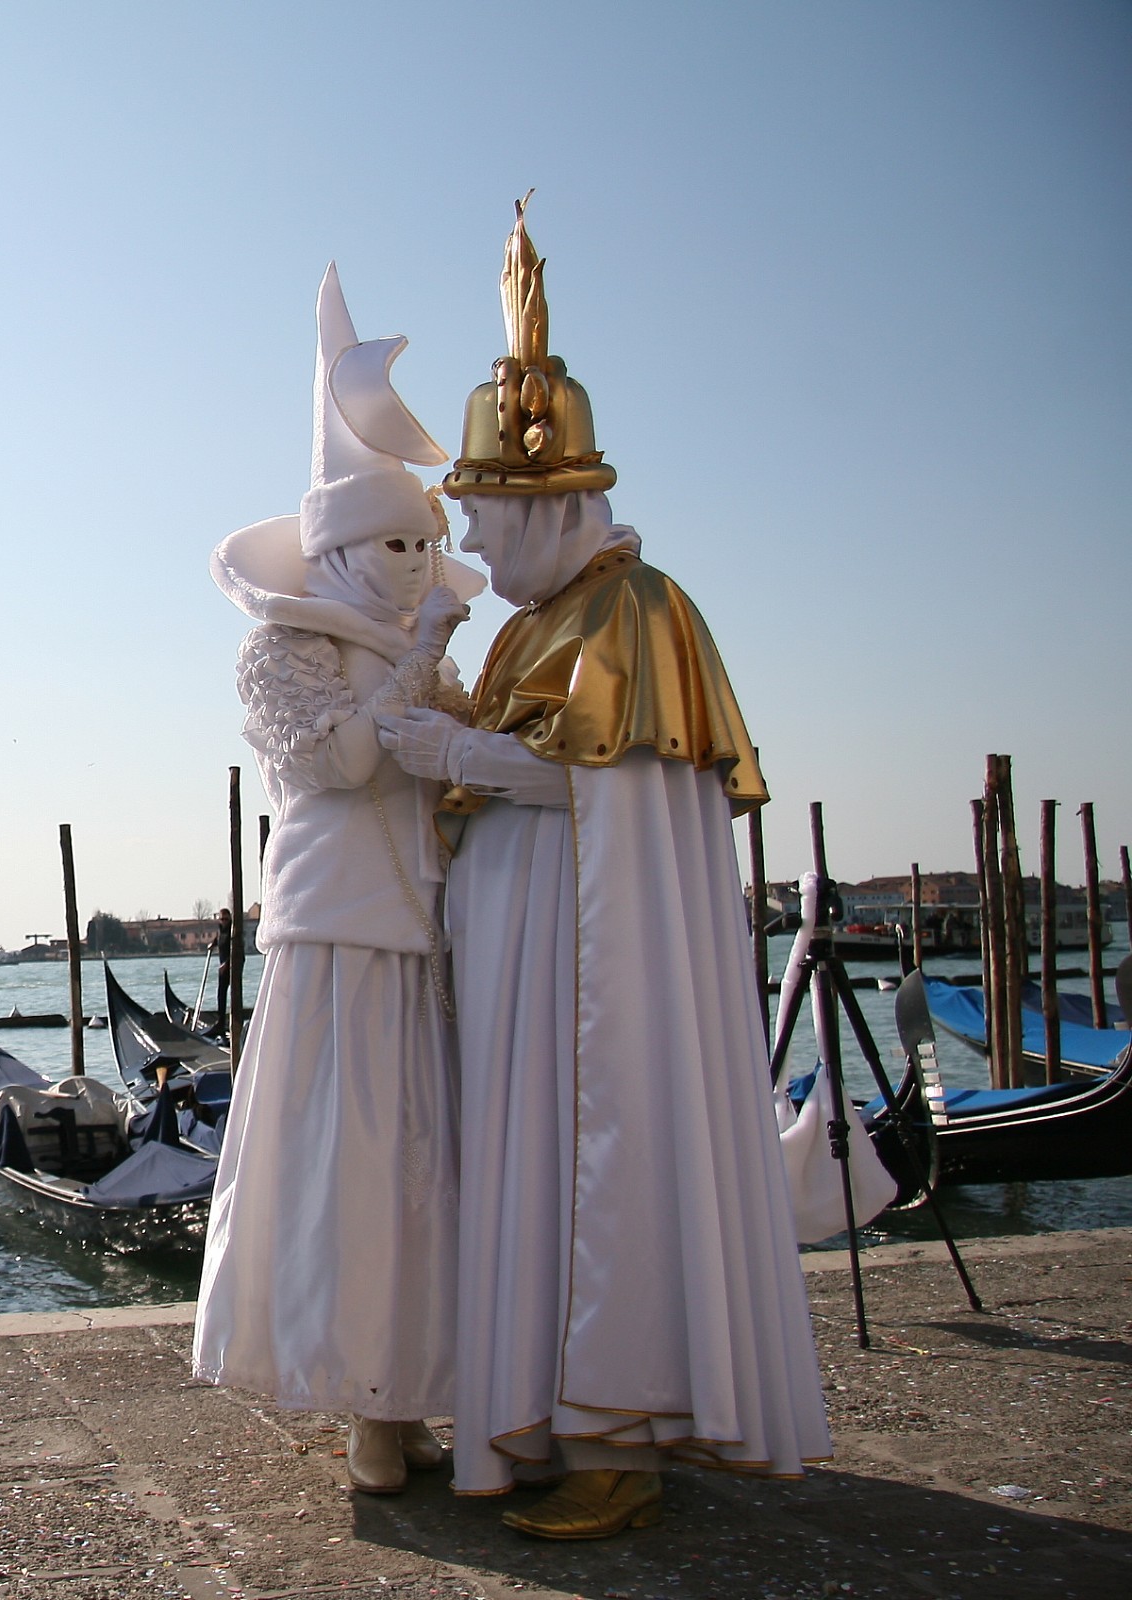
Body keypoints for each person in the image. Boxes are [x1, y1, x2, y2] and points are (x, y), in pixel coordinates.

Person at [374, 200, 829, 1538]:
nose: (484, 544)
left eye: (495, 517)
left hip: (590, 980)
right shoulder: (542, 623)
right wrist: (449, 739)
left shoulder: (633, 610)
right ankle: (536, 1413)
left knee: (593, 1171)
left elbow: (596, 782)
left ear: (558, 504)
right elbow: (529, 756)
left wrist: (436, 753)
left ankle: (612, 1426)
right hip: (529, 971)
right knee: (531, 1171)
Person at [192, 261, 479, 1494]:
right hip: (340, 936)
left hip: (429, 935)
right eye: (393, 542)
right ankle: (361, 1402)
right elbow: (343, 765)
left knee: (433, 1168)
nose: (417, 561)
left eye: (428, 541)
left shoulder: (428, 636)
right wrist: (416, 668)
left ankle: (414, 1387)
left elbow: (453, 777)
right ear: (342, 549)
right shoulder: (285, 647)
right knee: (354, 1170)